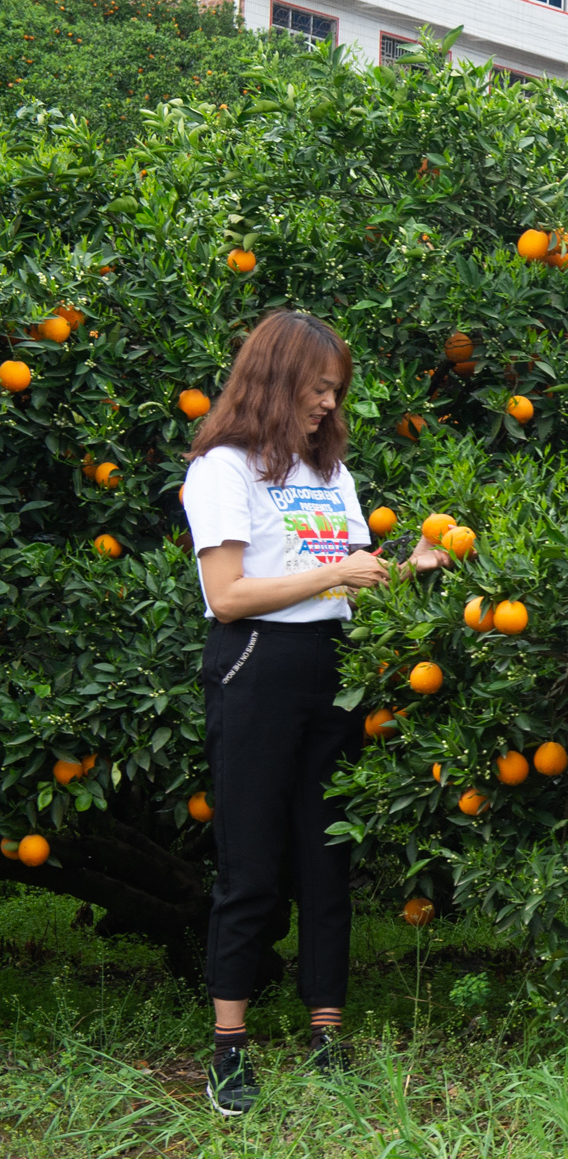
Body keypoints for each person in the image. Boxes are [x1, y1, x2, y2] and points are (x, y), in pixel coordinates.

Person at [183, 310, 445, 1115]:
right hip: (258, 664)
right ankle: (229, 1047)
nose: (329, 404)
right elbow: (228, 595)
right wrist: (339, 576)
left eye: (336, 391)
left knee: (327, 852)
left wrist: (406, 568)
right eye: (318, 387)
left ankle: (327, 1031)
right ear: (276, 377)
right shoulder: (223, 470)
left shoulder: (330, 475)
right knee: (252, 860)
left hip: (334, 670)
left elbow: (344, 575)